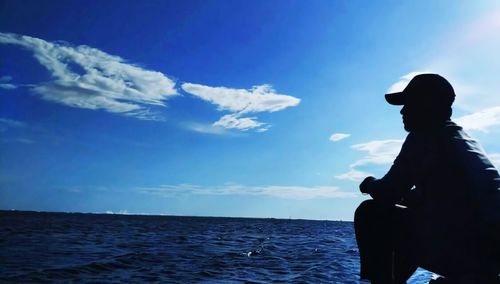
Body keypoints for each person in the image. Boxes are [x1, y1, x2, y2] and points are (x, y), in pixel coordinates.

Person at [354, 74, 500, 283]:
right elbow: (443, 199)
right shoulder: (463, 139)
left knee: (370, 213)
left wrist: (369, 184)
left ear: (427, 105)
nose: (403, 111)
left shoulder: (426, 135)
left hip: (469, 250)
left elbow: (389, 191)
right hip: (489, 252)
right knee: (410, 219)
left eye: (409, 104)